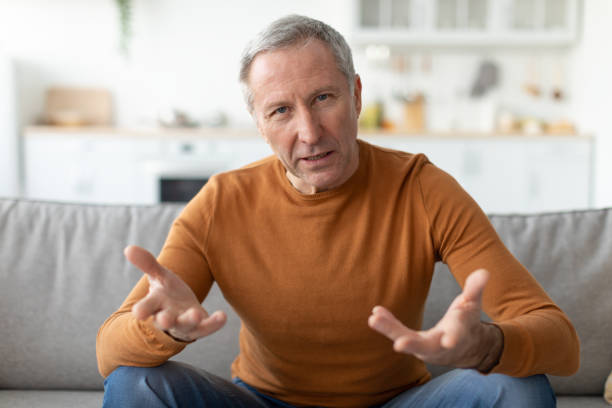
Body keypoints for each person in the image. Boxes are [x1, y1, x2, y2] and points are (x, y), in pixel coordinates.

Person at [96, 14, 579, 408]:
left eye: (323, 98)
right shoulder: (222, 201)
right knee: (134, 385)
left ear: (356, 94)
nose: (309, 131)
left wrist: (488, 345)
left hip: (398, 404)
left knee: (520, 389)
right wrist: (164, 329)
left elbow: (559, 339)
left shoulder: (423, 188)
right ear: (260, 126)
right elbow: (108, 352)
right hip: (261, 403)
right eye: (280, 111)